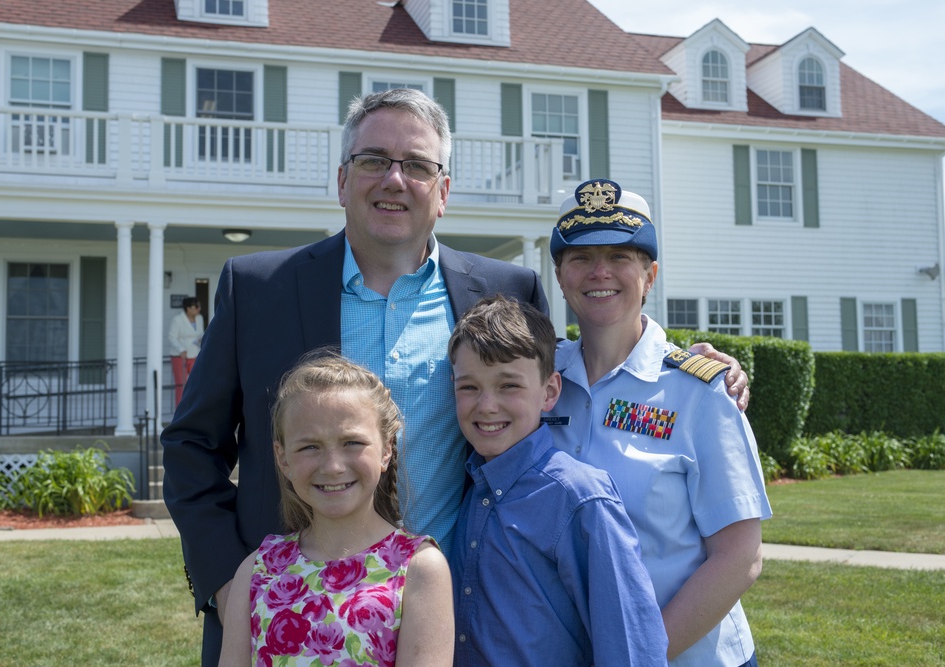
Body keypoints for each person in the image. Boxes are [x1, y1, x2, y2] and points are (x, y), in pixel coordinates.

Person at [160, 87, 748, 666]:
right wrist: (229, 585)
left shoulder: (504, 292)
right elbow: (191, 448)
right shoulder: (257, 289)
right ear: (342, 180)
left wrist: (679, 361)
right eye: (373, 161)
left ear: (442, 192)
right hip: (296, 621)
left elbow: (571, 360)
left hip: (458, 629)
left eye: (417, 165)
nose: (394, 180)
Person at [544, 179, 772, 666]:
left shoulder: (700, 392)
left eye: (621, 256)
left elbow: (740, 557)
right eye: (581, 258)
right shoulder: (536, 385)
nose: (600, 271)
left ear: (650, 275)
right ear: (560, 277)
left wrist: (637, 655)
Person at [447, 295, 668, 666]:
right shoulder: (469, 485)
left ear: (549, 392)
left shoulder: (581, 499)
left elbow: (631, 648)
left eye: (509, 386)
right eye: (469, 387)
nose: (486, 405)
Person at [217, 353, 453, 667]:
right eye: (309, 447)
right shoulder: (255, 573)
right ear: (283, 458)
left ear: (386, 450)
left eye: (352, 442)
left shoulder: (420, 569)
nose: (333, 466)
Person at [167, 296, 204, 408]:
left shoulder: (199, 318)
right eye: (196, 306)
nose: (198, 309)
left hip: (195, 354)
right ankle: (180, 411)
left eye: (199, 306)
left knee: (196, 384)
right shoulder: (177, 320)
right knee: (181, 385)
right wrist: (181, 349)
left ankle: (193, 410)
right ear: (188, 308)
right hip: (180, 356)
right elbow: (172, 337)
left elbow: (200, 334)